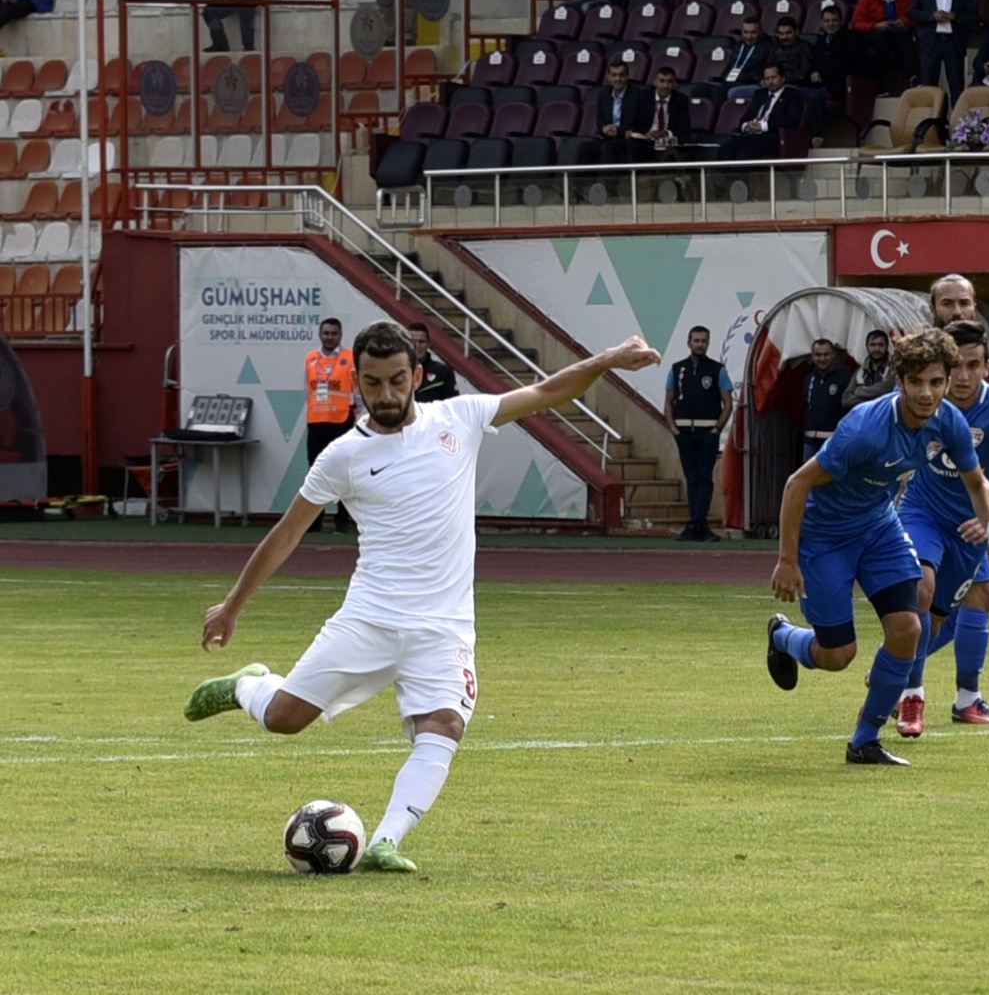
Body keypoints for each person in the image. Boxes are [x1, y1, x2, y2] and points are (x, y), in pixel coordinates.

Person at [185, 323, 662, 872]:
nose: (385, 395)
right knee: (286, 718)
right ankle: (247, 684)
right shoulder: (342, 455)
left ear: (416, 376)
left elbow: (548, 391)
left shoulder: (460, 417)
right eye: (371, 383)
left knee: (444, 727)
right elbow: (288, 532)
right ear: (356, 382)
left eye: (395, 381)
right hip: (369, 619)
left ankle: (387, 840)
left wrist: (607, 357)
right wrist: (233, 606)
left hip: (444, 628)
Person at [764, 329, 989, 767]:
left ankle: (865, 739)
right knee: (838, 656)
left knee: (909, 628)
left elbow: (978, 483)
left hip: (879, 527)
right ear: (900, 382)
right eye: (916, 383)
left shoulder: (949, 421)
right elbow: (796, 484)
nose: (926, 393)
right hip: (826, 536)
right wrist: (787, 560)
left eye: (936, 382)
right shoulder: (864, 429)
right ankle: (783, 638)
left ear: (948, 381)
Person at [894, 320, 989, 737]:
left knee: (974, 600)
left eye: (973, 366)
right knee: (920, 587)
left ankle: (962, 698)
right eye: (956, 366)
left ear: (987, 366)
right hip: (922, 512)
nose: (962, 377)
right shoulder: (921, 400)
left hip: (972, 523)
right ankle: (911, 698)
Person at [664, 326, 733, 542]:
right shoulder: (677, 369)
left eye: (703, 341)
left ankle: (695, 524)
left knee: (705, 478)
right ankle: (698, 526)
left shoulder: (717, 370)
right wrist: (674, 429)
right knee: (691, 478)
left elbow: (728, 403)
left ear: (708, 343)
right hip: (684, 433)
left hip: (707, 434)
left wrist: (716, 430)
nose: (700, 344)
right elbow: (668, 401)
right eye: (696, 340)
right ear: (689, 342)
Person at [305, 318, 358, 534]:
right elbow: (307, 390)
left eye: (333, 333)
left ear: (341, 334)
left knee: (343, 471)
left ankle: (342, 521)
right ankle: (314, 522)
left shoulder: (350, 358)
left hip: (342, 420)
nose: (329, 337)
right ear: (320, 334)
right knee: (316, 473)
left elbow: (357, 391)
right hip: (316, 421)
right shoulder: (310, 359)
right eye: (326, 333)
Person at [718, 63, 806, 164]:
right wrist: (746, 125)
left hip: (772, 137)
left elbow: (791, 121)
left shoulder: (793, 95)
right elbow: (746, 116)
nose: (770, 81)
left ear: (783, 78)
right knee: (726, 149)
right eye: (767, 78)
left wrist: (763, 126)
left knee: (745, 154)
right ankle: (726, 180)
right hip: (751, 135)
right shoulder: (759, 94)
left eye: (773, 77)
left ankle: (740, 180)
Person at [909, 0, 978, 98]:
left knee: (957, 86)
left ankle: (957, 113)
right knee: (928, 86)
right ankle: (930, 113)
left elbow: (973, 17)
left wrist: (955, 16)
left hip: (953, 42)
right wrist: (932, 15)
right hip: (931, 42)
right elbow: (912, 12)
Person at [769, 15, 828, 136]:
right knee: (736, 92)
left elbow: (803, 73)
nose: (784, 37)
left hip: (797, 86)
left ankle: (815, 135)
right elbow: (767, 68)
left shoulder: (805, 47)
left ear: (797, 31)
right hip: (774, 85)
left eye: (788, 33)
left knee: (814, 96)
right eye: (781, 33)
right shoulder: (774, 49)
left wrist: (782, 80)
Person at [852, 0, 920, 96]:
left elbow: (915, 16)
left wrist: (904, 21)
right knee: (881, 42)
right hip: (876, 34)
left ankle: (914, 80)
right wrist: (875, 26)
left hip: (899, 32)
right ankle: (880, 87)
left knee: (905, 42)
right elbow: (857, 23)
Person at [623, 66, 691, 164]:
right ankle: (633, 176)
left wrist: (664, 133)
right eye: (662, 81)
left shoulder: (681, 100)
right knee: (632, 145)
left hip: (668, 141)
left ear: (675, 84)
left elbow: (684, 129)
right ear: (655, 82)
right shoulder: (643, 97)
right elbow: (632, 121)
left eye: (669, 82)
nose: (665, 86)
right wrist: (632, 132)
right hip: (645, 140)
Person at [809, 4, 864, 117]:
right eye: (827, 21)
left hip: (840, 88)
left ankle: (814, 132)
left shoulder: (852, 39)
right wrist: (814, 72)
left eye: (834, 20)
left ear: (840, 22)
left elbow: (859, 66)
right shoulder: (820, 42)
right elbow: (813, 62)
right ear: (822, 23)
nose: (830, 24)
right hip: (821, 85)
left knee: (812, 96)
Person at [803, 338, 853, 461]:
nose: (822, 359)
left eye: (826, 354)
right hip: (810, 444)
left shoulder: (845, 377)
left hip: (834, 443)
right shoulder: (809, 379)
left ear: (833, 355)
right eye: (818, 355)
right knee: (810, 480)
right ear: (812, 357)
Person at [594, 60, 644, 166]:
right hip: (609, 137)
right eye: (614, 75)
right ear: (608, 77)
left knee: (608, 147)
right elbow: (600, 119)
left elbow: (639, 122)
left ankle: (611, 182)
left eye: (621, 75)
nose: (618, 79)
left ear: (627, 76)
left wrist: (619, 131)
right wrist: (604, 128)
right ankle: (581, 183)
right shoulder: (604, 94)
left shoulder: (638, 95)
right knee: (583, 148)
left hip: (628, 139)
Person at [722, 16, 775, 100]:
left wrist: (762, 79)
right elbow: (730, 66)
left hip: (751, 83)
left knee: (731, 92)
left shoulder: (768, 47)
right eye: (746, 32)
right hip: (732, 81)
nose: (749, 36)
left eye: (753, 32)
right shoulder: (738, 46)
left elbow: (770, 68)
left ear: (760, 32)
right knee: (714, 91)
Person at [407, 321, 459, 403]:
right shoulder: (396, 371)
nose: (417, 346)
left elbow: (454, 404)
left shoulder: (443, 372)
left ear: (428, 344)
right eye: (412, 342)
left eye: (421, 342)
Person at [843, 329, 895, 407]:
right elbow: (846, 399)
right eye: (873, 345)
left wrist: (859, 391)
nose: (877, 348)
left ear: (886, 346)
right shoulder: (859, 372)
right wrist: (874, 401)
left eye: (880, 345)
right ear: (867, 346)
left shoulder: (893, 368)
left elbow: (886, 388)